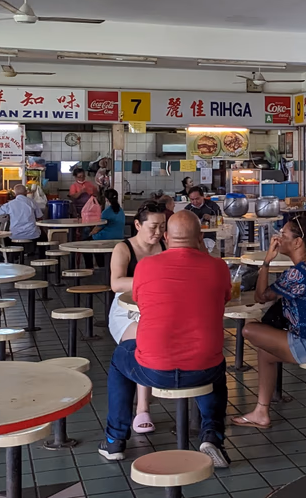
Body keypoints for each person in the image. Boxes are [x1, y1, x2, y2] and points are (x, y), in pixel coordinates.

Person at [99, 211, 231, 467]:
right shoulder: (218, 267)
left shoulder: (146, 267)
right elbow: (224, 297)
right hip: (203, 369)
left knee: (120, 357)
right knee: (216, 366)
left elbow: (140, 300)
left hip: (153, 370)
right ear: (200, 238)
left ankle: (115, 440)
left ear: (167, 237)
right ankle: (212, 436)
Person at [231, 216, 306, 430]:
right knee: (265, 352)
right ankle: (261, 412)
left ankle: (261, 412)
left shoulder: (298, 273)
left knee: (250, 330)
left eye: (283, 235)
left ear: (297, 242)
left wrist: (267, 260)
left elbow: (260, 296)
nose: (278, 239)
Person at [106, 200, 168, 434]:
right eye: (153, 227)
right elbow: (116, 283)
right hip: (125, 311)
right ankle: (142, 408)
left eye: (162, 226)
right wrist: (152, 280)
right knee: (144, 339)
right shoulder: (123, 249)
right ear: (138, 225)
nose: (158, 232)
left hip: (156, 308)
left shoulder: (165, 246)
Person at [85, 189, 125, 269]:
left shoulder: (106, 212)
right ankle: (102, 266)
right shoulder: (121, 211)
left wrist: (91, 232)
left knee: (85, 244)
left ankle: (91, 267)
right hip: (119, 236)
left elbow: (98, 227)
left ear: (106, 199)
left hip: (106, 237)